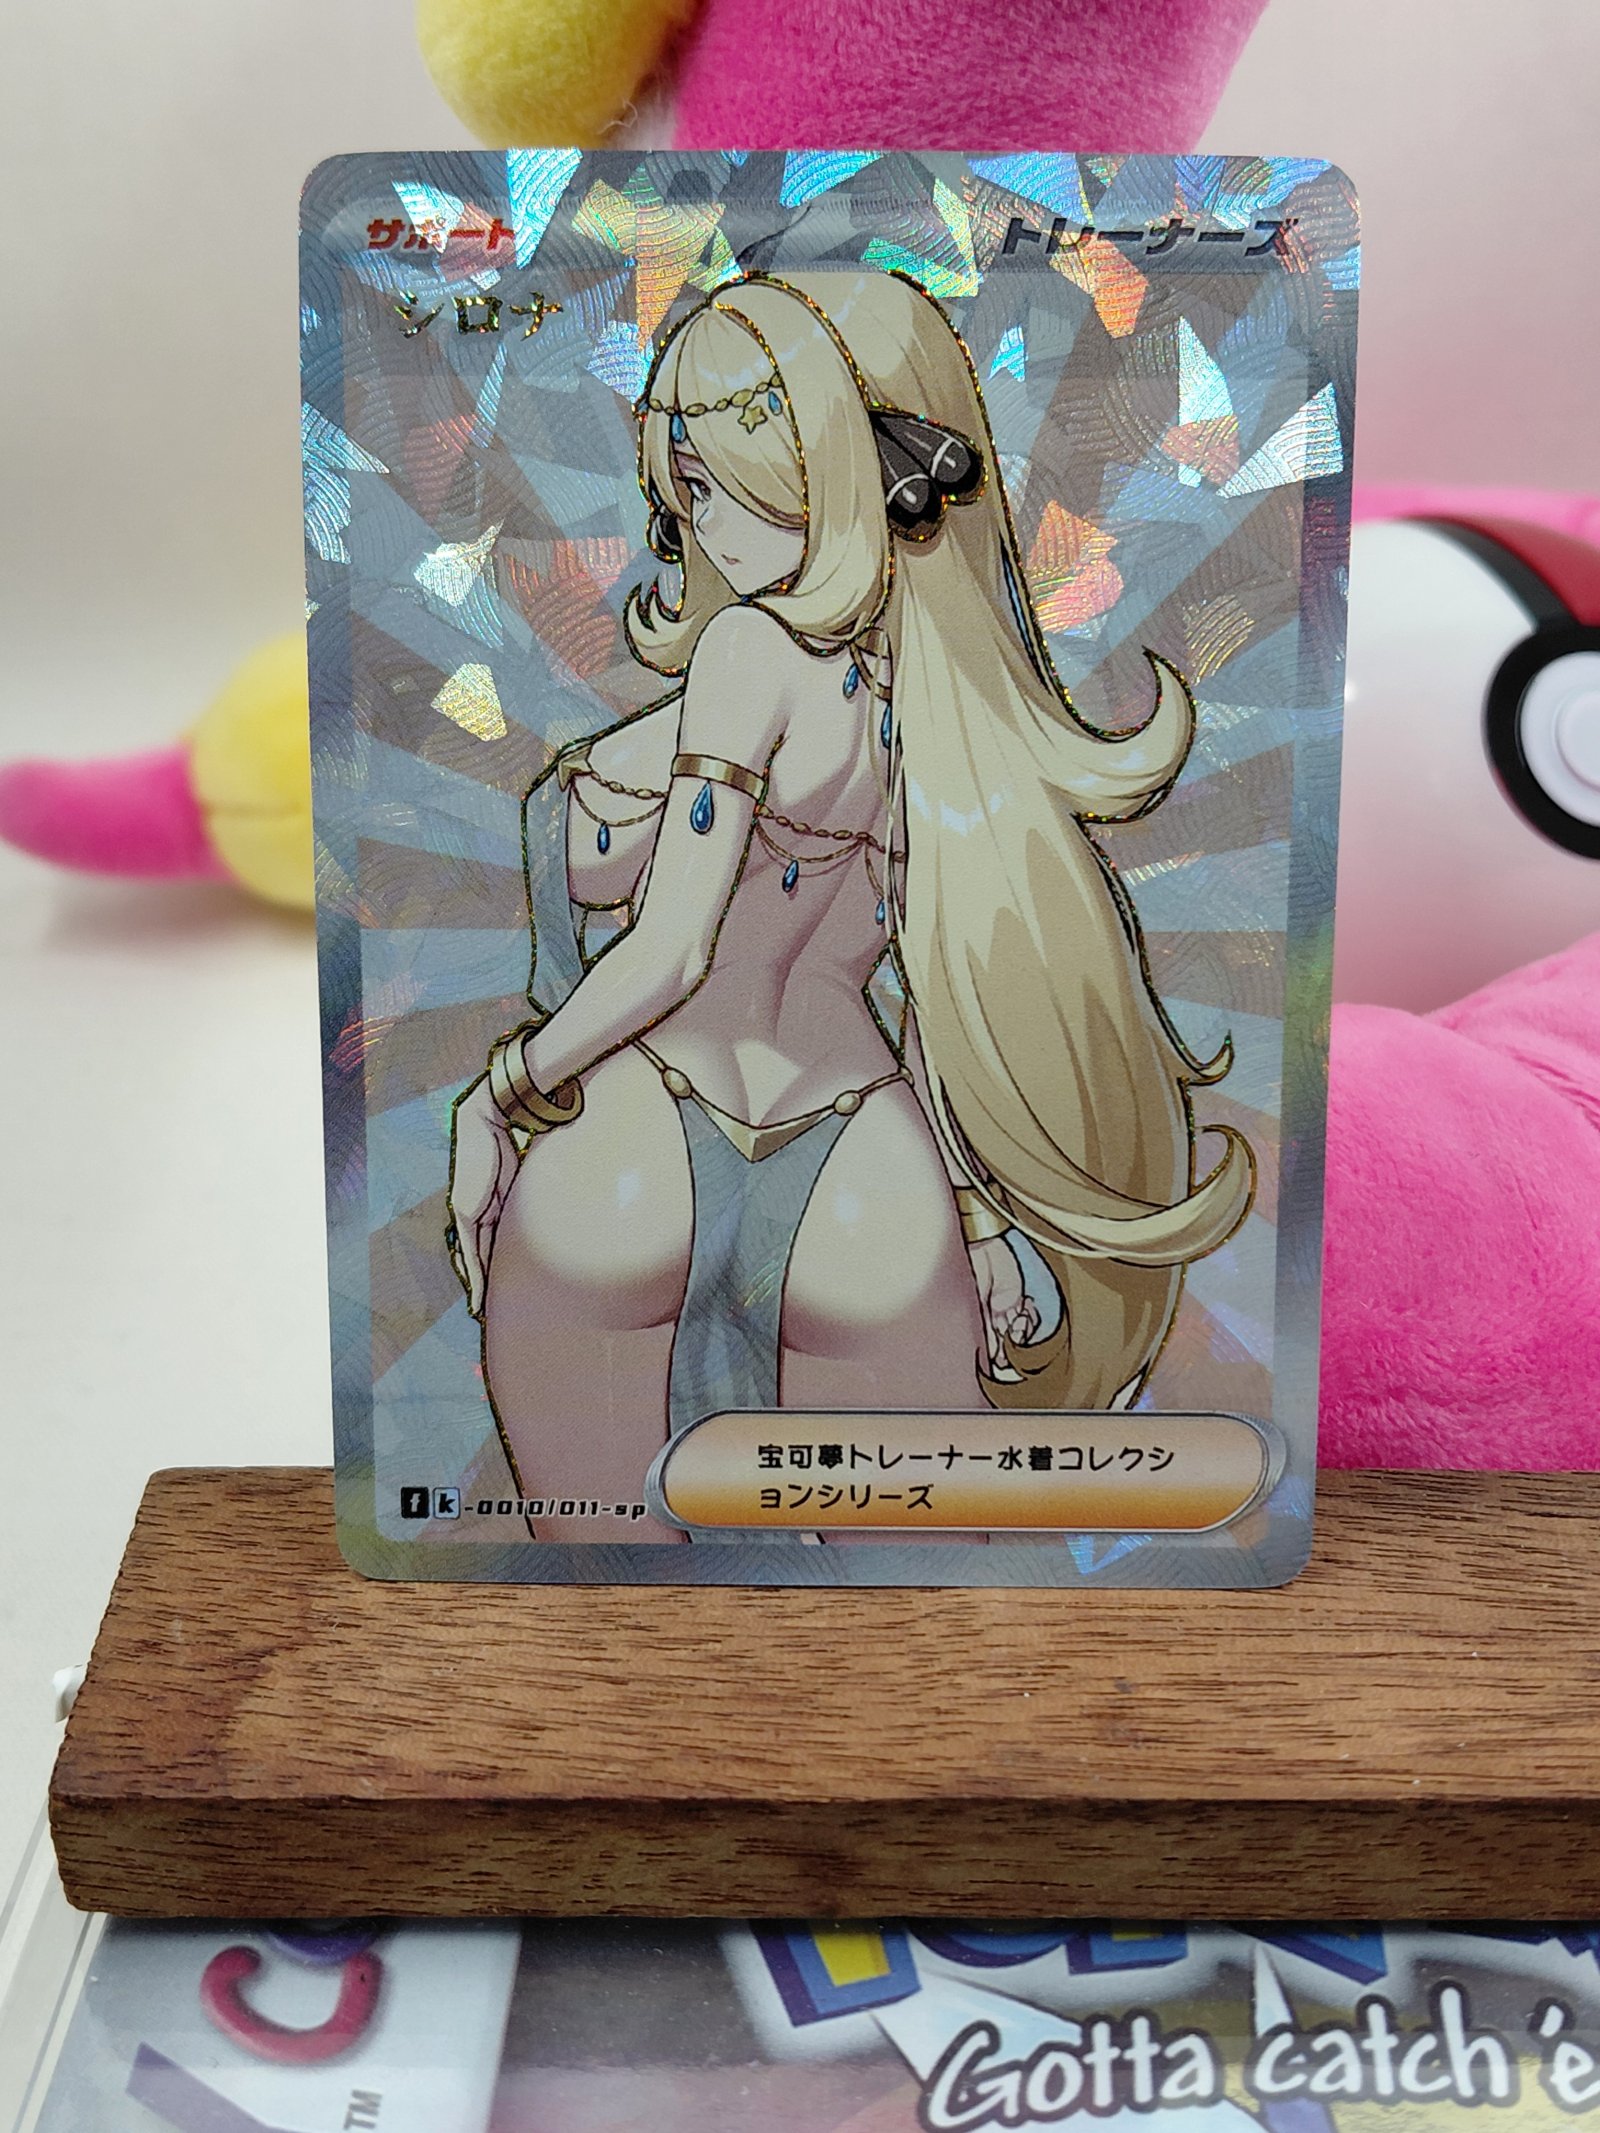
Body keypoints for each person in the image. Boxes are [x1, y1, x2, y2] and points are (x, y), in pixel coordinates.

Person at [447, 269, 1252, 1542]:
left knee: (601, 1593)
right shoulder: (949, 714)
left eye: (715, 481)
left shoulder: (748, 652)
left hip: (635, 1128)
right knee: (897, 1600)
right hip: (868, 1158)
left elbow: (670, 949)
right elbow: (941, 998)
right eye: (685, 487)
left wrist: (501, 1095)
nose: (697, 523)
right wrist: (974, 1217)